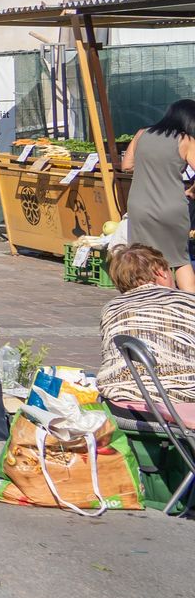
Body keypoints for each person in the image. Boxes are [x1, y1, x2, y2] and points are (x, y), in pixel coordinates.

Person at [96, 245, 195, 410]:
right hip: (184, 395)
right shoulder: (188, 301)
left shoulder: (110, 309)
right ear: (160, 272)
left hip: (120, 398)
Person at [121, 99, 195, 290]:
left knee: (141, 258)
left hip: (140, 207)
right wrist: (191, 191)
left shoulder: (142, 133)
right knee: (179, 260)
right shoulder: (185, 140)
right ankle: (190, 307)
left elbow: (126, 165)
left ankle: (144, 300)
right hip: (171, 208)